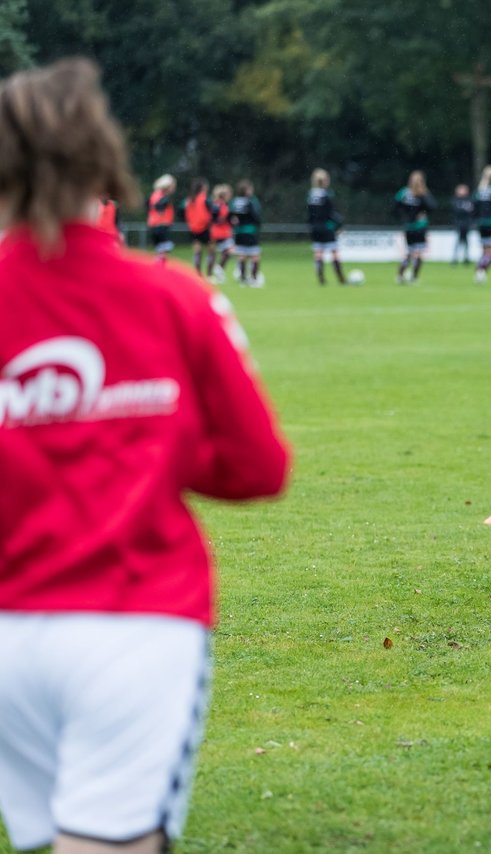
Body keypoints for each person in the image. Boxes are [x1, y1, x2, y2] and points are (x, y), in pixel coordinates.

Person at [0, 57, 289, 854]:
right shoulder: (176, 297)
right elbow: (259, 468)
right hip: (138, 623)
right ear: (105, 159)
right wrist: (145, 439)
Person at [395, 170, 437, 284]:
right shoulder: (422, 193)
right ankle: (413, 277)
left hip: (408, 227)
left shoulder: (403, 192)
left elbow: (395, 205)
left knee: (409, 253)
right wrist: (422, 212)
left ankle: (400, 275)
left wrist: (404, 216)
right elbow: (433, 206)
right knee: (418, 253)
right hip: (419, 226)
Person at [307, 168, 346, 286]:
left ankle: (321, 279)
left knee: (318, 253)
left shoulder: (310, 195)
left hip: (314, 228)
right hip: (327, 227)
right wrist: (340, 224)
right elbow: (331, 213)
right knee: (334, 253)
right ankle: (341, 279)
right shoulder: (327, 195)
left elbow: (310, 214)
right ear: (324, 181)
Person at [229, 178, 264, 287]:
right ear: (247, 190)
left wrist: (234, 222)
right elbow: (256, 215)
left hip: (239, 232)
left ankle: (243, 280)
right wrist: (257, 225)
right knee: (255, 256)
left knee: (241, 255)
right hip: (250, 231)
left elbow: (229, 215)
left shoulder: (235, 201)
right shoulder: (251, 201)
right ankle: (254, 279)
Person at [183, 178, 214, 274]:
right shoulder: (204, 198)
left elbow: (182, 212)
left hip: (193, 228)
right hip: (204, 227)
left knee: (197, 251)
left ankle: (197, 272)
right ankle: (209, 273)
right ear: (203, 187)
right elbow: (213, 210)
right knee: (211, 250)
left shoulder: (189, 199)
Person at [146, 173, 176, 264]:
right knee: (164, 250)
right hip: (161, 226)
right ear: (167, 186)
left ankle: (157, 270)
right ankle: (159, 271)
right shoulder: (164, 197)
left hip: (153, 225)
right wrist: (161, 211)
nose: (173, 188)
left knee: (159, 251)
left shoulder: (154, 194)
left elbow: (147, 205)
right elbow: (159, 205)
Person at [207, 183, 234, 282]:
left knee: (216, 254)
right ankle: (216, 271)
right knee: (226, 252)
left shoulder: (219, 204)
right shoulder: (219, 205)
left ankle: (214, 272)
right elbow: (215, 219)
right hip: (220, 233)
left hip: (218, 232)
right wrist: (226, 219)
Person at [450, 183, 473, 265]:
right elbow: (457, 210)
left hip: (467, 223)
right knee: (457, 241)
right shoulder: (455, 199)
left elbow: (472, 210)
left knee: (466, 241)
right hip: (458, 223)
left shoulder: (469, 199)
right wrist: (465, 209)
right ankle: (454, 258)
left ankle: (466, 257)